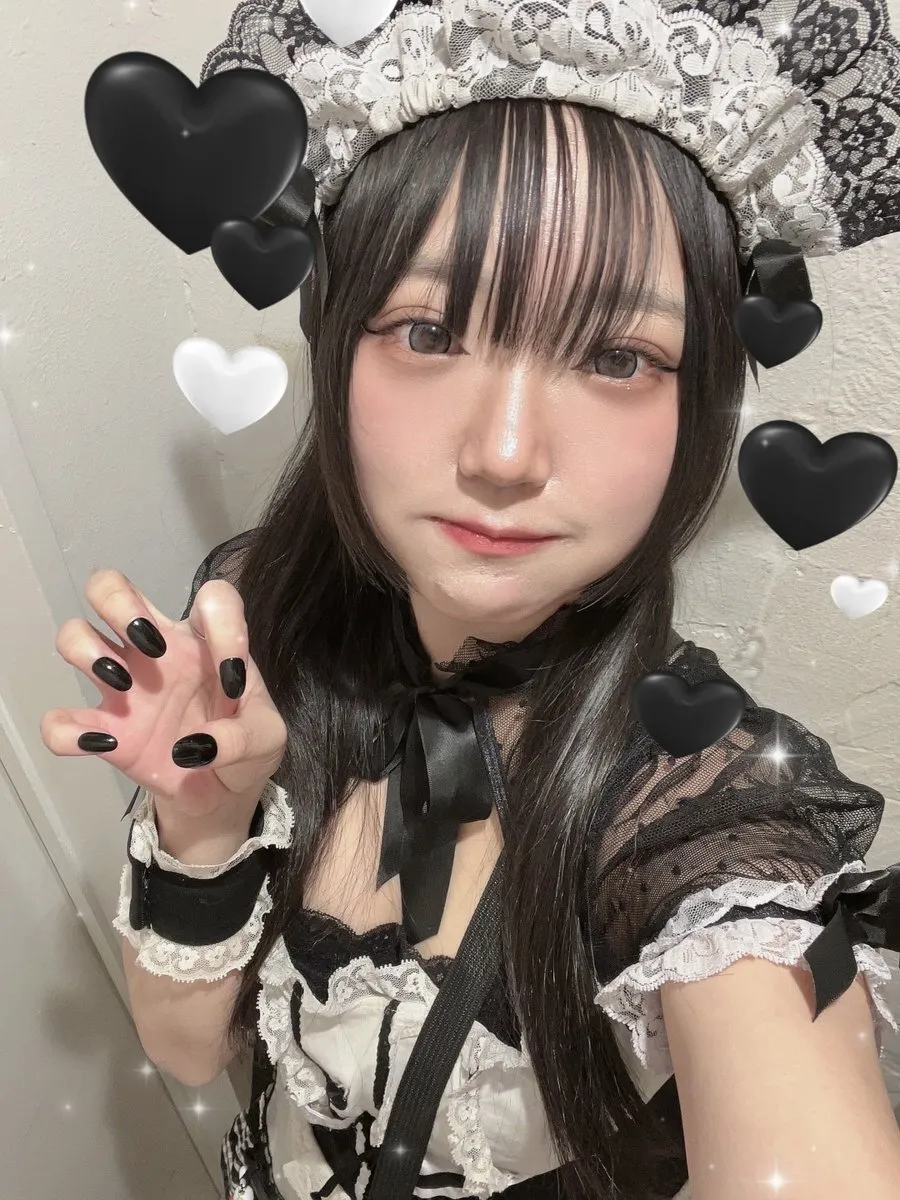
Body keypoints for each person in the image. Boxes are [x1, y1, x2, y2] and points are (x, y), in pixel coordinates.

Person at [42, 3, 900, 1199]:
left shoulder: (703, 813)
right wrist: (205, 824)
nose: (503, 453)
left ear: (700, 398)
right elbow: (188, 1050)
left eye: (617, 357)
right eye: (428, 329)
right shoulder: (260, 627)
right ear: (336, 339)